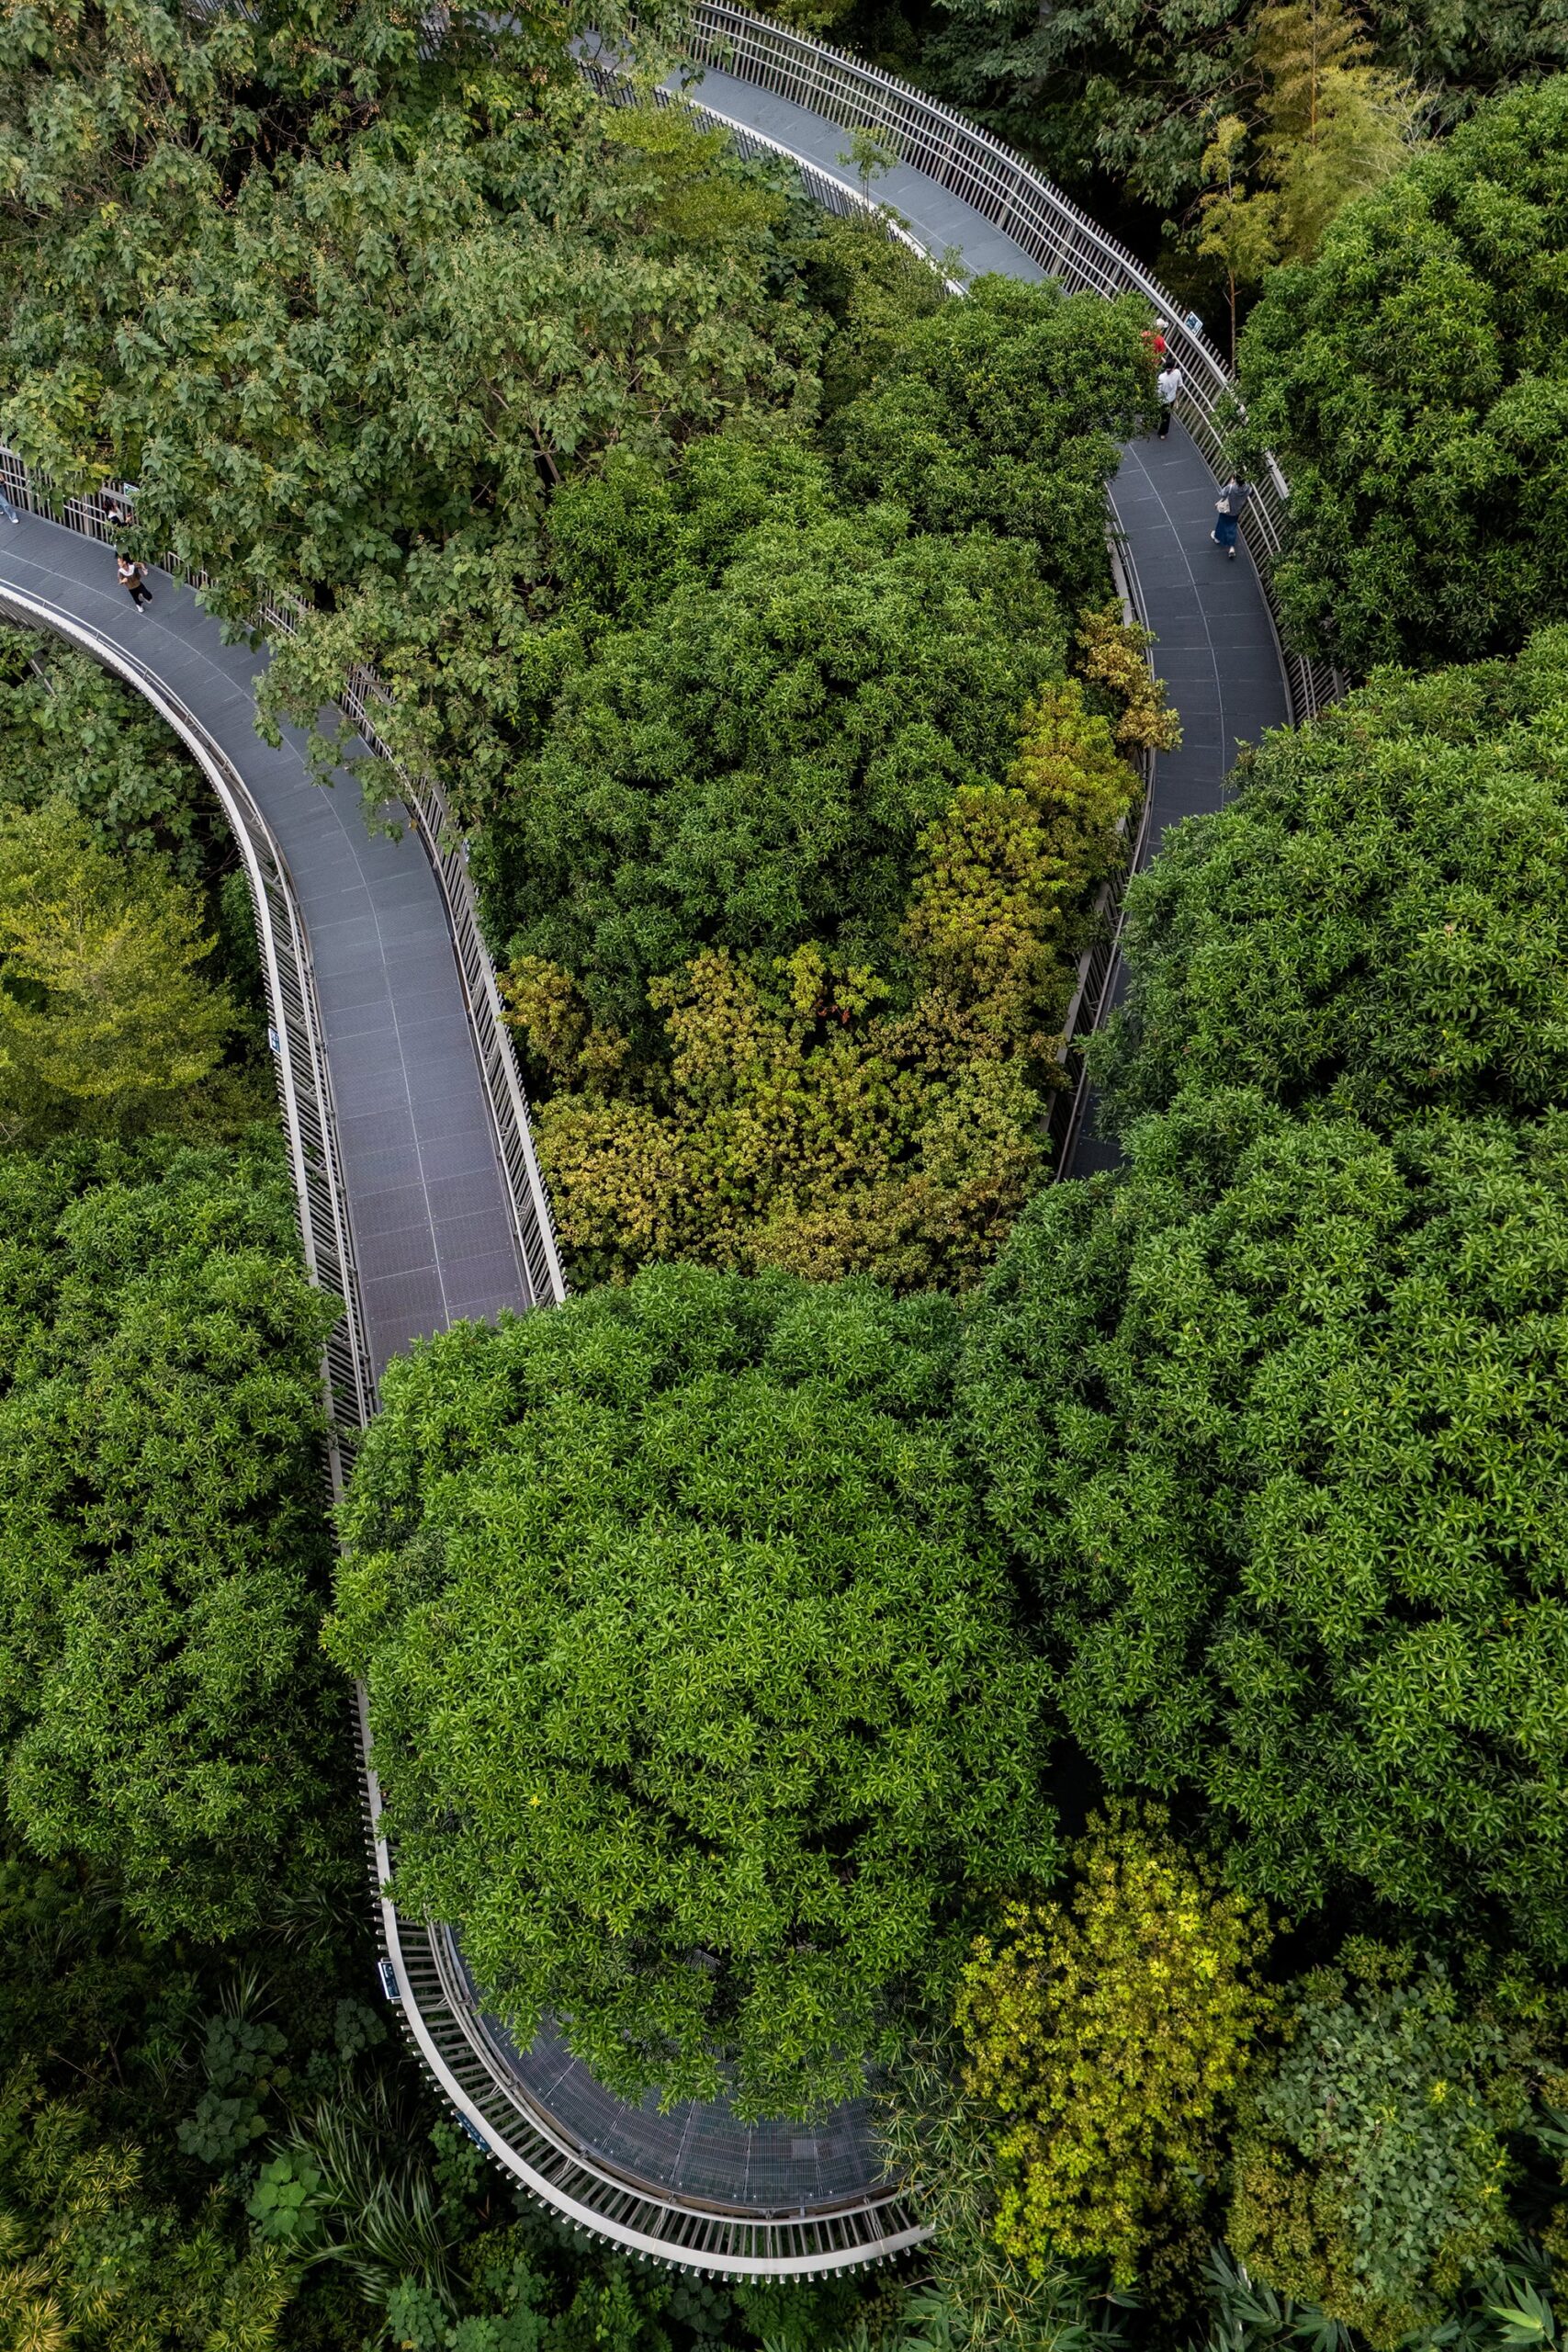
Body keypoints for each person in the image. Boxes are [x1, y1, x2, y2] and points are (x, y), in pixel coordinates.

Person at [1211, 474, 1252, 560]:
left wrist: (1231, 483)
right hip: (1237, 510)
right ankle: (1231, 547)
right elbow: (1249, 492)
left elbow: (1222, 493)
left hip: (1227, 509)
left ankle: (1217, 537)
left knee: (1222, 522)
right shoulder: (1247, 487)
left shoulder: (1231, 487)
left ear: (1235, 480)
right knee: (1232, 526)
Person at [1156, 362, 1183, 439]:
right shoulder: (1177, 373)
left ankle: (1150, 422)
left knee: (1155, 410)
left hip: (1161, 399)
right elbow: (1180, 385)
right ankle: (1162, 433)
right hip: (1171, 399)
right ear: (1173, 367)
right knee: (1166, 416)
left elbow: (1158, 390)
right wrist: (1176, 393)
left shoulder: (1161, 377)